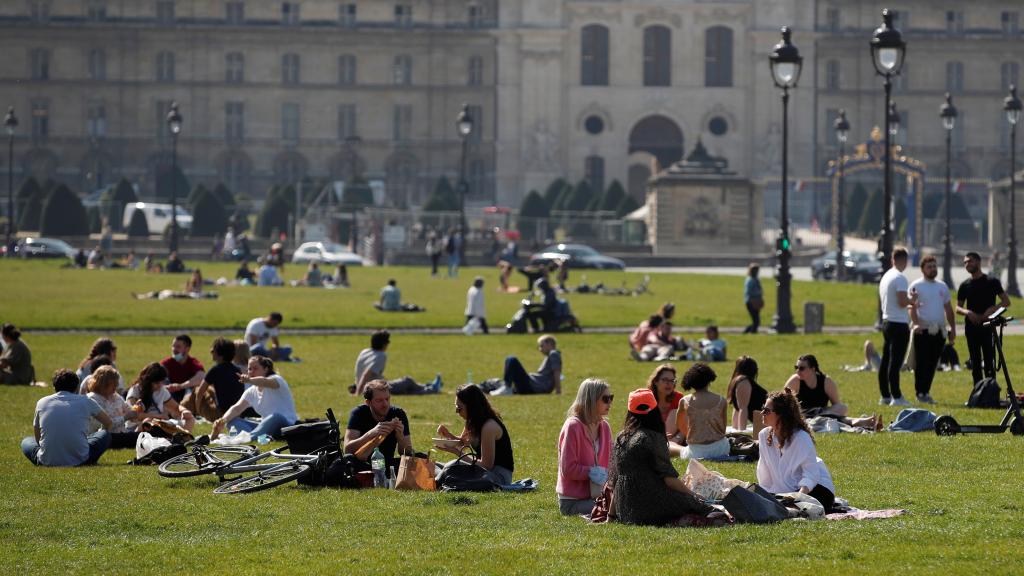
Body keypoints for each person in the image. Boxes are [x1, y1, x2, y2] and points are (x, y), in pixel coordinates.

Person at [606, 388, 714, 525]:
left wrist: (611, 516)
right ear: (654, 410)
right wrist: (693, 495)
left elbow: (616, 480)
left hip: (627, 510)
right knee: (702, 506)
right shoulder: (651, 438)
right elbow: (670, 480)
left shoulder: (621, 437)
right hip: (650, 507)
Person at [757, 389, 837, 512]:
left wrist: (798, 498)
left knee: (802, 508)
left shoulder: (801, 437)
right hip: (788, 491)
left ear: (781, 415)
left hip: (815, 488)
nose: (762, 412)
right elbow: (764, 473)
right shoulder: (763, 435)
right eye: (763, 408)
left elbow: (811, 474)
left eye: (767, 411)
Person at [21, 369, 112, 466]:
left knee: (26, 441)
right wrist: (99, 432)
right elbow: (108, 422)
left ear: (54, 386)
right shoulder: (86, 401)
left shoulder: (42, 402)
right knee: (105, 435)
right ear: (77, 387)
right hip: (82, 459)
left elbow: (37, 436)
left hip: (46, 460)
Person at [435, 384, 515, 485]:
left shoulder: (489, 427)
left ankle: (437, 481)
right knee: (439, 465)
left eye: (459, 408)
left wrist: (457, 452)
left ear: (472, 407)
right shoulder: (472, 421)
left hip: (498, 476)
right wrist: (447, 435)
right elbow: (462, 443)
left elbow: (486, 465)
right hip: (483, 472)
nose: (456, 412)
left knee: (452, 466)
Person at [556, 378, 613, 515]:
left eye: (611, 398)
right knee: (617, 509)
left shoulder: (604, 427)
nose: (610, 402)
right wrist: (592, 472)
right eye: (605, 399)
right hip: (573, 501)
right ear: (591, 400)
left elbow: (611, 462)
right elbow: (568, 469)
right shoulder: (573, 426)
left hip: (599, 495)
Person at [212, 356, 299, 440]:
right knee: (232, 421)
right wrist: (222, 421)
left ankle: (250, 437)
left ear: (266, 369)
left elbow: (264, 381)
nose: (251, 371)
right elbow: (237, 408)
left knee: (275, 417)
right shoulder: (251, 391)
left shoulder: (277, 380)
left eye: (255, 368)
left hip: (286, 425)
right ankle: (255, 436)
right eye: (250, 369)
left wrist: (249, 380)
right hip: (265, 427)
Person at [785, 354, 879, 431]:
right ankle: (859, 422)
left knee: (842, 408)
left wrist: (826, 412)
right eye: (796, 367)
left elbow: (837, 405)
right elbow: (783, 404)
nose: (798, 371)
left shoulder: (826, 381)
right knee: (829, 415)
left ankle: (862, 422)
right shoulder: (795, 381)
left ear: (812, 369)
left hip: (824, 412)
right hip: (803, 414)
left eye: (801, 368)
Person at [908, 255, 957, 404]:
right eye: (929, 267)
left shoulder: (942, 286)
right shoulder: (916, 285)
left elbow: (948, 309)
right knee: (921, 363)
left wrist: (953, 329)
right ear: (923, 269)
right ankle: (920, 392)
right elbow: (912, 307)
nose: (933, 269)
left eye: (934, 266)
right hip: (922, 331)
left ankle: (926, 392)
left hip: (939, 332)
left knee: (932, 363)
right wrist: (916, 324)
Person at [957, 251, 1010, 385]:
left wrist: (993, 310)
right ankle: (978, 392)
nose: (967, 264)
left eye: (970, 261)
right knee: (975, 361)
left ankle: (991, 390)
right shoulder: (964, 285)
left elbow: (1006, 301)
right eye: (965, 262)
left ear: (978, 262)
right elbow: (958, 308)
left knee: (989, 360)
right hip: (971, 328)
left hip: (988, 327)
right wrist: (968, 312)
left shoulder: (992, 282)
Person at [343, 379, 413, 474]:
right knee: (348, 460)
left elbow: (407, 453)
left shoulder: (398, 414)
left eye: (387, 399)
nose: (385, 404)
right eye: (379, 400)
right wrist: (371, 434)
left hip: (386, 464)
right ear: (368, 402)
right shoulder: (359, 413)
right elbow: (347, 450)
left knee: (418, 458)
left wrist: (400, 437)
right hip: (363, 465)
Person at [351, 329, 441, 396]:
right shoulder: (381, 355)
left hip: (367, 386)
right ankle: (432, 388)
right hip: (375, 389)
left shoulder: (365, 351)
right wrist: (358, 393)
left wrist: (358, 386)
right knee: (408, 381)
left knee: (406, 387)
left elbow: (362, 372)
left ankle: (429, 386)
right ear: (383, 344)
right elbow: (366, 374)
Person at [878, 247, 914, 406]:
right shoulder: (900, 278)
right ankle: (897, 396)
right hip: (898, 323)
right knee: (896, 362)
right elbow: (901, 301)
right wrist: (913, 300)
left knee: (886, 360)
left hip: (886, 321)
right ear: (904, 261)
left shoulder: (886, 276)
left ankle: (885, 395)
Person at [675, 363, 729, 460]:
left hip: (695, 452)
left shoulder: (685, 401)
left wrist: (689, 435)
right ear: (709, 379)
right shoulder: (721, 400)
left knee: (670, 445)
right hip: (720, 449)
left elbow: (679, 424)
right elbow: (723, 428)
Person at [125, 363, 196, 433]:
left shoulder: (162, 391)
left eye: (162, 382)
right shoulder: (135, 391)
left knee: (190, 419)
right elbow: (134, 415)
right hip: (136, 427)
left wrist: (184, 411)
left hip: (159, 424)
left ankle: (182, 440)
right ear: (148, 381)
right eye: (157, 383)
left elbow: (176, 407)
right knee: (148, 421)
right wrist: (159, 416)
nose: (160, 385)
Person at [86, 365, 138, 449]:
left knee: (143, 436)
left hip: (121, 435)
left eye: (116, 384)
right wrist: (125, 418)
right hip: (103, 438)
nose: (115, 387)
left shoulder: (115, 396)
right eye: (113, 385)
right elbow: (104, 425)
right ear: (102, 384)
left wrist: (136, 409)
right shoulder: (92, 399)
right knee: (135, 438)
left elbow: (129, 411)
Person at [491, 334, 562, 396]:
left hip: (535, 387)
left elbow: (556, 372)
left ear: (549, 344)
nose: (540, 349)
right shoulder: (551, 355)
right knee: (510, 360)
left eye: (541, 345)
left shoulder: (554, 354)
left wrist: (558, 391)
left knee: (512, 359)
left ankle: (506, 388)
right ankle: (507, 388)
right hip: (534, 386)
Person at [192, 337, 244, 421]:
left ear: (219, 353)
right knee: (209, 390)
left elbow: (200, 391)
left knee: (196, 391)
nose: (211, 352)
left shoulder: (215, 370)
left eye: (213, 351)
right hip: (238, 412)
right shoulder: (237, 370)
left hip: (221, 414)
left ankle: (192, 414)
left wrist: (198, 410)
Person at [646, 363, 685, 456]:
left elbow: (688, 423)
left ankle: (672, 447)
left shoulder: (678, 398)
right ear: (655, 381)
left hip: (674, 438)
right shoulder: (647, 398)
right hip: (654, 438)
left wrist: (678, 437)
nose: (669, 384)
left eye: (672, 380)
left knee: (675, 412)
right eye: (665, 380)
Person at [160, 334, 206, 403]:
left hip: (187, 398)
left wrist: (181, 386)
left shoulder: (193, 363)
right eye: (173, 346)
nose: (174, 349)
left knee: (192, 389)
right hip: (170, 397)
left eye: (178, 347)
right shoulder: (166, 363)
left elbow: (202, 377)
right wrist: (169, 387)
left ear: (187, 349)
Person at [726, 356, 768, 431]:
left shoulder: (737, 380)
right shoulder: (744, 382)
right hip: (764, 420)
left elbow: (738, 408)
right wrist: (740, 431)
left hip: (765, 419)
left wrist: (736, 429)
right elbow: (741, 408)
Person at [743, 263, 764, 334]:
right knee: (756, 321)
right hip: (751, 302)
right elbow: (748, 292)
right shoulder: (750, 280)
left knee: (756, 321)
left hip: (756, 301)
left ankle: (750, 332)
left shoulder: (756, 279)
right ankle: (750, 332)